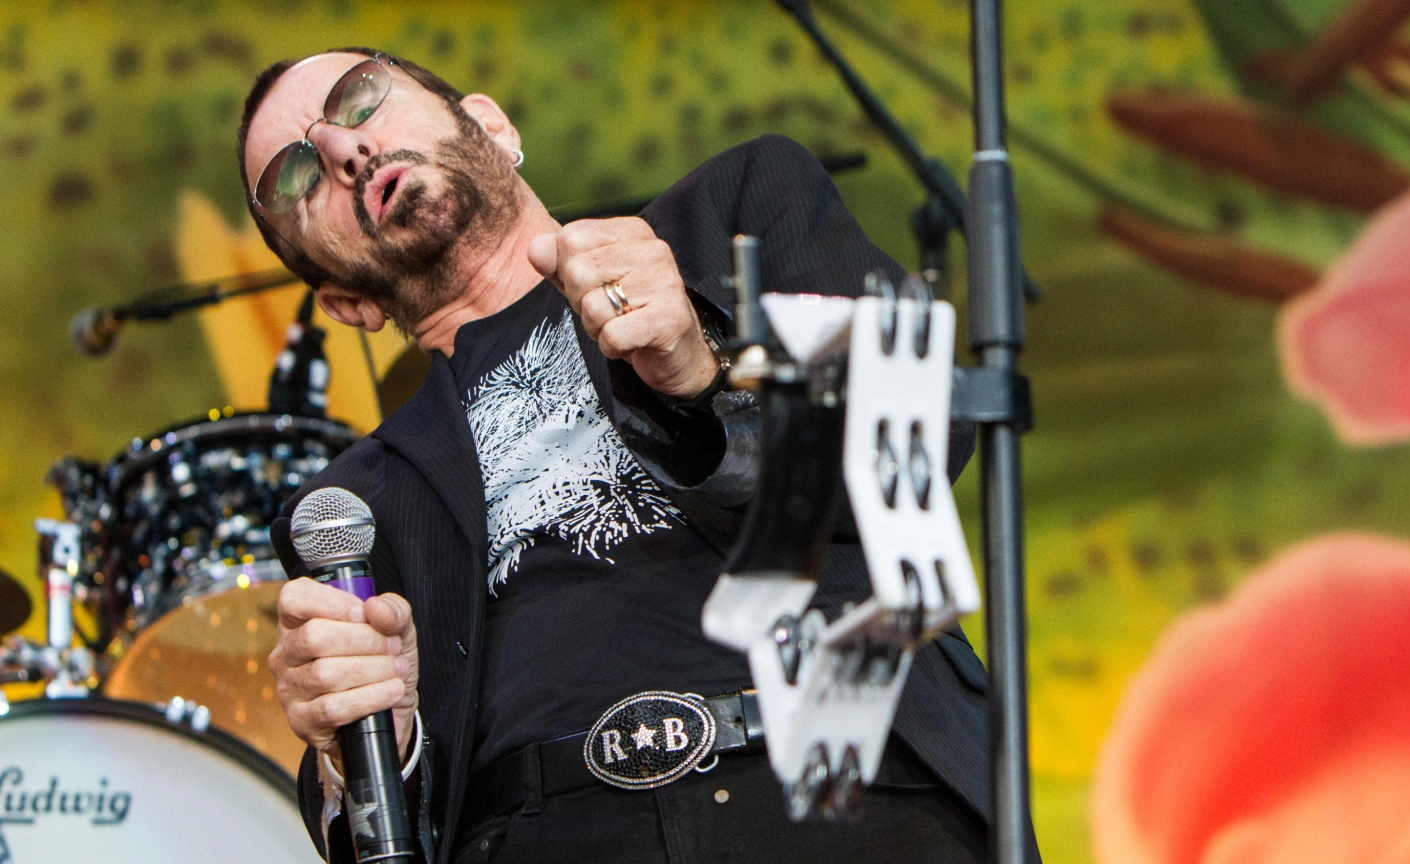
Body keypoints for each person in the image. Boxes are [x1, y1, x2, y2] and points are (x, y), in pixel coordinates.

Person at [241, 47, 990, 864]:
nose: (342, 150)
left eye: (359, 100)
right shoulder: (354, 506)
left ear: (492, 126)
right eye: (295, 177)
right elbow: (386, 831)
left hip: (850, 779)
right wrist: (373, 743)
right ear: (344, 303)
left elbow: (920, 435)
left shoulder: (733, 207)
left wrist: (706, 375)